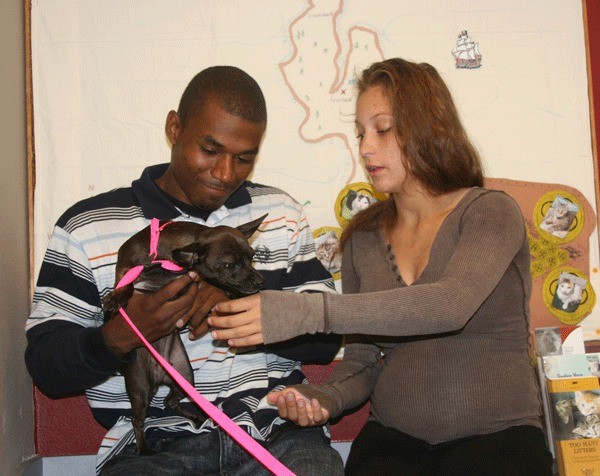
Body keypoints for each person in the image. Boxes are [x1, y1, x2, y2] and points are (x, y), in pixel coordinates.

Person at [210, 58, 554, 475]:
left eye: (383, 129)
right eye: (359, 133)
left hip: (500, 439)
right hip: (394, 441)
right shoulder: (363, 239)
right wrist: (323, 400)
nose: (365, 147)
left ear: (433, 127)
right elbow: (363, 360)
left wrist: (303, 311)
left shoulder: (490, 212)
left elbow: (449, 305)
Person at [25, 66, 344, 475]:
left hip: (275, 434)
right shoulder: (88, 226)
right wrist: (121, 334)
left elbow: (328, 338)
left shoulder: (280, 215)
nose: (226, 173)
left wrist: (239, 300)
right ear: (174, 128)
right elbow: (47, 366)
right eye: (210, 151)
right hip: (152, 446)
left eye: (244, 158)